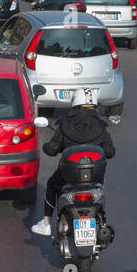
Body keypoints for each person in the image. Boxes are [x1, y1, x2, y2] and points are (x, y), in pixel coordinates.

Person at [31, 89, 116, 237]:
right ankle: (100, 220)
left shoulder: (65, 125)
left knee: (52, 185)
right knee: (100, 189)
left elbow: (51, 150)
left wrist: (46, 147)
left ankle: (46, 223)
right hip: (94, 177)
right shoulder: (101, 127)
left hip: (67, 176)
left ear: (75, 102)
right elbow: (109, 153)